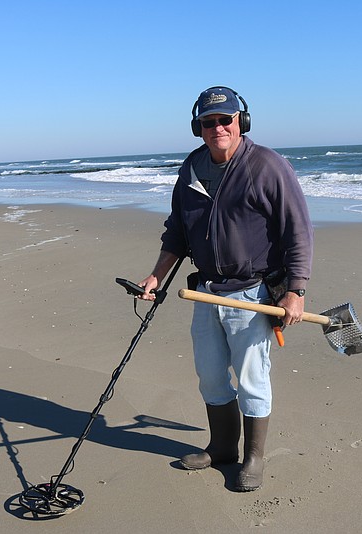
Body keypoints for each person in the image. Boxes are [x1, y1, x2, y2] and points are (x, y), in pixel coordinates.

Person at [138, 86, 313, 492]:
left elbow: (298, 232)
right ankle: (221, 448)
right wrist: (155, 276)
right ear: (198, 128)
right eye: (208, 122)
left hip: (252, 294)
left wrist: (296, 291)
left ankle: (253, 456)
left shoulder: (268, 166)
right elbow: (177, 231)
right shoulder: (193, 168)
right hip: (206, 292)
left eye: (225, 119)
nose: (218, 127)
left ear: (241, 121)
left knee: (253, 379)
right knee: (211, 376)